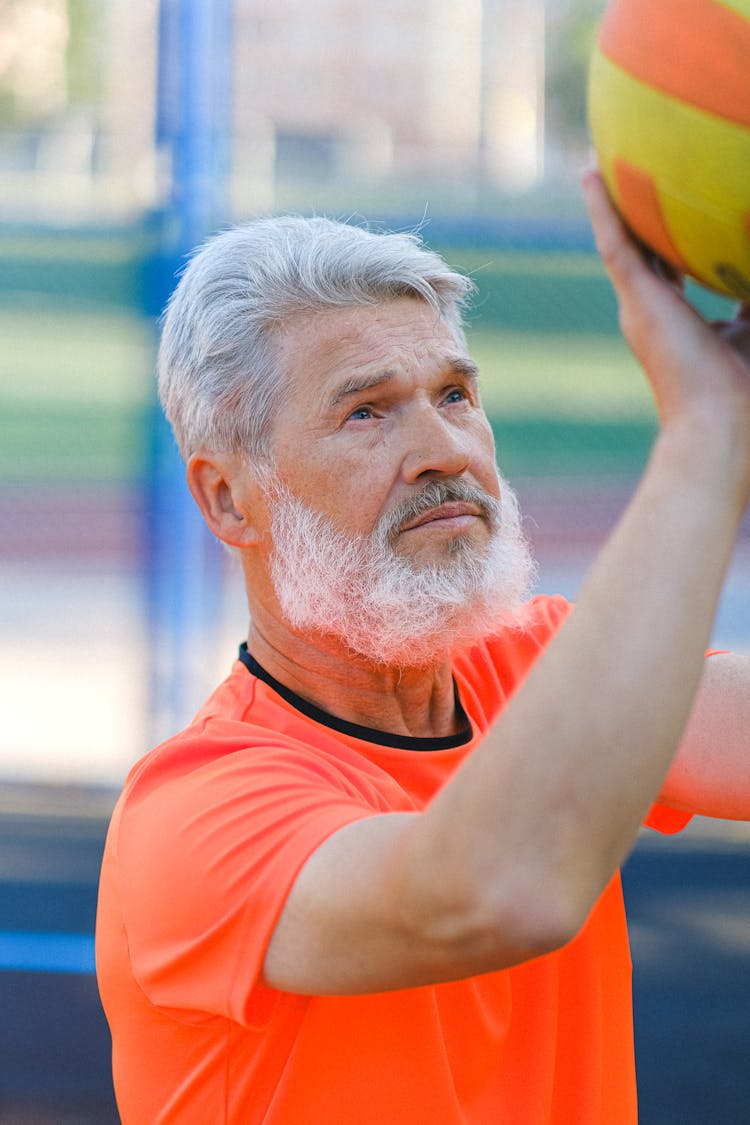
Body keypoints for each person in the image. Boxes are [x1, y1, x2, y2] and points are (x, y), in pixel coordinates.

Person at [96, 172, 750, 1123]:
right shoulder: (194, 815)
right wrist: (705, 440)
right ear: (229, 498)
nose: (443, 445)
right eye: (367, 410)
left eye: (454, 393)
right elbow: (493, 892)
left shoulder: (539, 666)